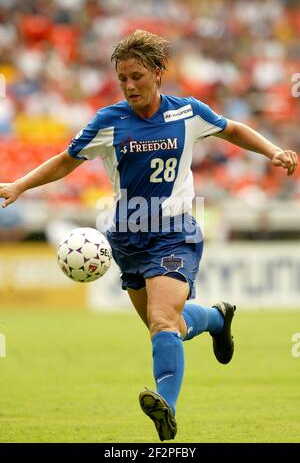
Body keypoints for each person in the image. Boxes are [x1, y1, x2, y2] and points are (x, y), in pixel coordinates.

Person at [0, 30, 297, 441]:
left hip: (175, 232)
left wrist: (273, 152)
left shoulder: (187, 113)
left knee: (162, 320)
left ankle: (166, 409)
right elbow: (65, 161)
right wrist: (19, 185)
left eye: (137, 76)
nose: (130, 85)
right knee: (167, 327)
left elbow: (233, 129)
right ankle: (216, 318)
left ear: (158, 73)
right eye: (122, 78)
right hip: (128, 237)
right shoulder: (109, 122)